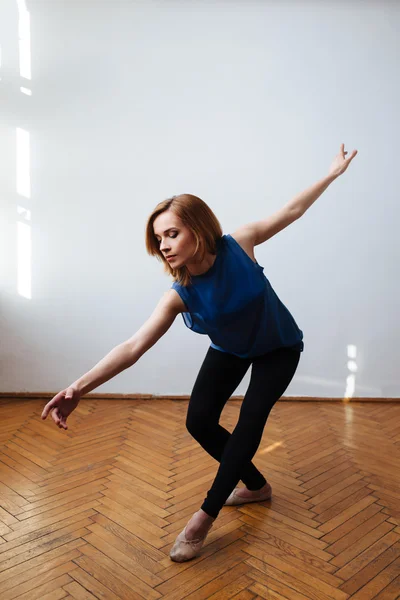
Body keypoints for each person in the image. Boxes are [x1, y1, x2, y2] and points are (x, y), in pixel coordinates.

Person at [42, 144, 358, 562]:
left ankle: (203, 518)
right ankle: (256, 486)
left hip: (278, 348)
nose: (165, 245)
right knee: (199, 420)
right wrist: (77, 388)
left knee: (249, 421)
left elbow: (292, 210)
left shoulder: (239, 244)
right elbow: (133, 346)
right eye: (159, 239)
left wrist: (332, 174)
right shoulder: (179, 294)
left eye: (172, 233)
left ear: (198, 227)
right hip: (230, 349)